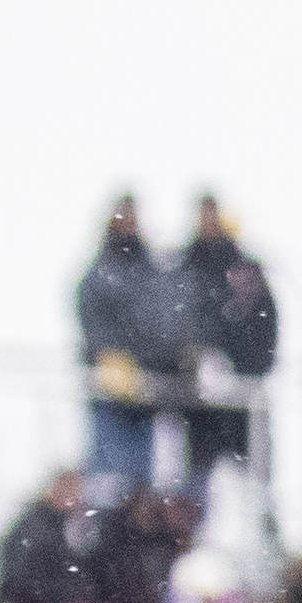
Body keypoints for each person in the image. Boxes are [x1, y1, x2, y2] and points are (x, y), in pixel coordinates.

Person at [76, 196, 199, 486]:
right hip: (111, 392)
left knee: (142, 480)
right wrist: (111, 357)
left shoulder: (150, 273)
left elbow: (163, 322)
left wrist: (166, 361)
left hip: (146, 394)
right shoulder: (101, 273)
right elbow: (95, 324)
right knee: (111, 476)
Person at [181, 197, 279, 505]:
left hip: (243, 403)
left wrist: (243, 371)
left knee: (252, 488)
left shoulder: (246, 272)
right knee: (196, 486)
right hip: (198, 408)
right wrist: (197, 359)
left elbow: (265, 329)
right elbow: (181, 323)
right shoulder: (185, 266)